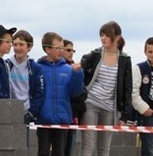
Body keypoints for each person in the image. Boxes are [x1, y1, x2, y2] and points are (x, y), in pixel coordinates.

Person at [80, 21, 132, 156]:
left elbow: (127, 88)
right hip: (90, 103)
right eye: (101, 35)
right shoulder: (94, 55)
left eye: (107, 35)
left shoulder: (125, 59)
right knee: (88, 145)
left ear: (117, 37)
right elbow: (83, 79)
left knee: (104, 148)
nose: (103, 38)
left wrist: (125, 115)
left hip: (109, 107)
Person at [36, 32, 84, 156]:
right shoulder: (38, 68)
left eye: (62, 47)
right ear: (47, 49)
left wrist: (77, 74)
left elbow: (75, 93)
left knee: (60, 153)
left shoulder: (68, 69)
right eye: (58, 48)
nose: (61, 51)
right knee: (42, 152)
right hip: (44, 119)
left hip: (63, 119)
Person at [5, 30, 43, 124]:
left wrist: (30, 113)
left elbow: (39, 94)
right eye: (15, 44)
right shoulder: (6, 64)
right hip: (9, 111)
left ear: (29, 46)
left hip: (27, 112)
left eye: (21, 44)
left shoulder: (35, 68)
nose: (18, 48)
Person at [61, 39, 87, 156]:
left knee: (69, 148)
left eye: (73, 50)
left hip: (73, 115)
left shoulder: (76, 68)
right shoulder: (59, 68)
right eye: (68, 50)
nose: (71, 53)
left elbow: (83, 92)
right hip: (61, 115)